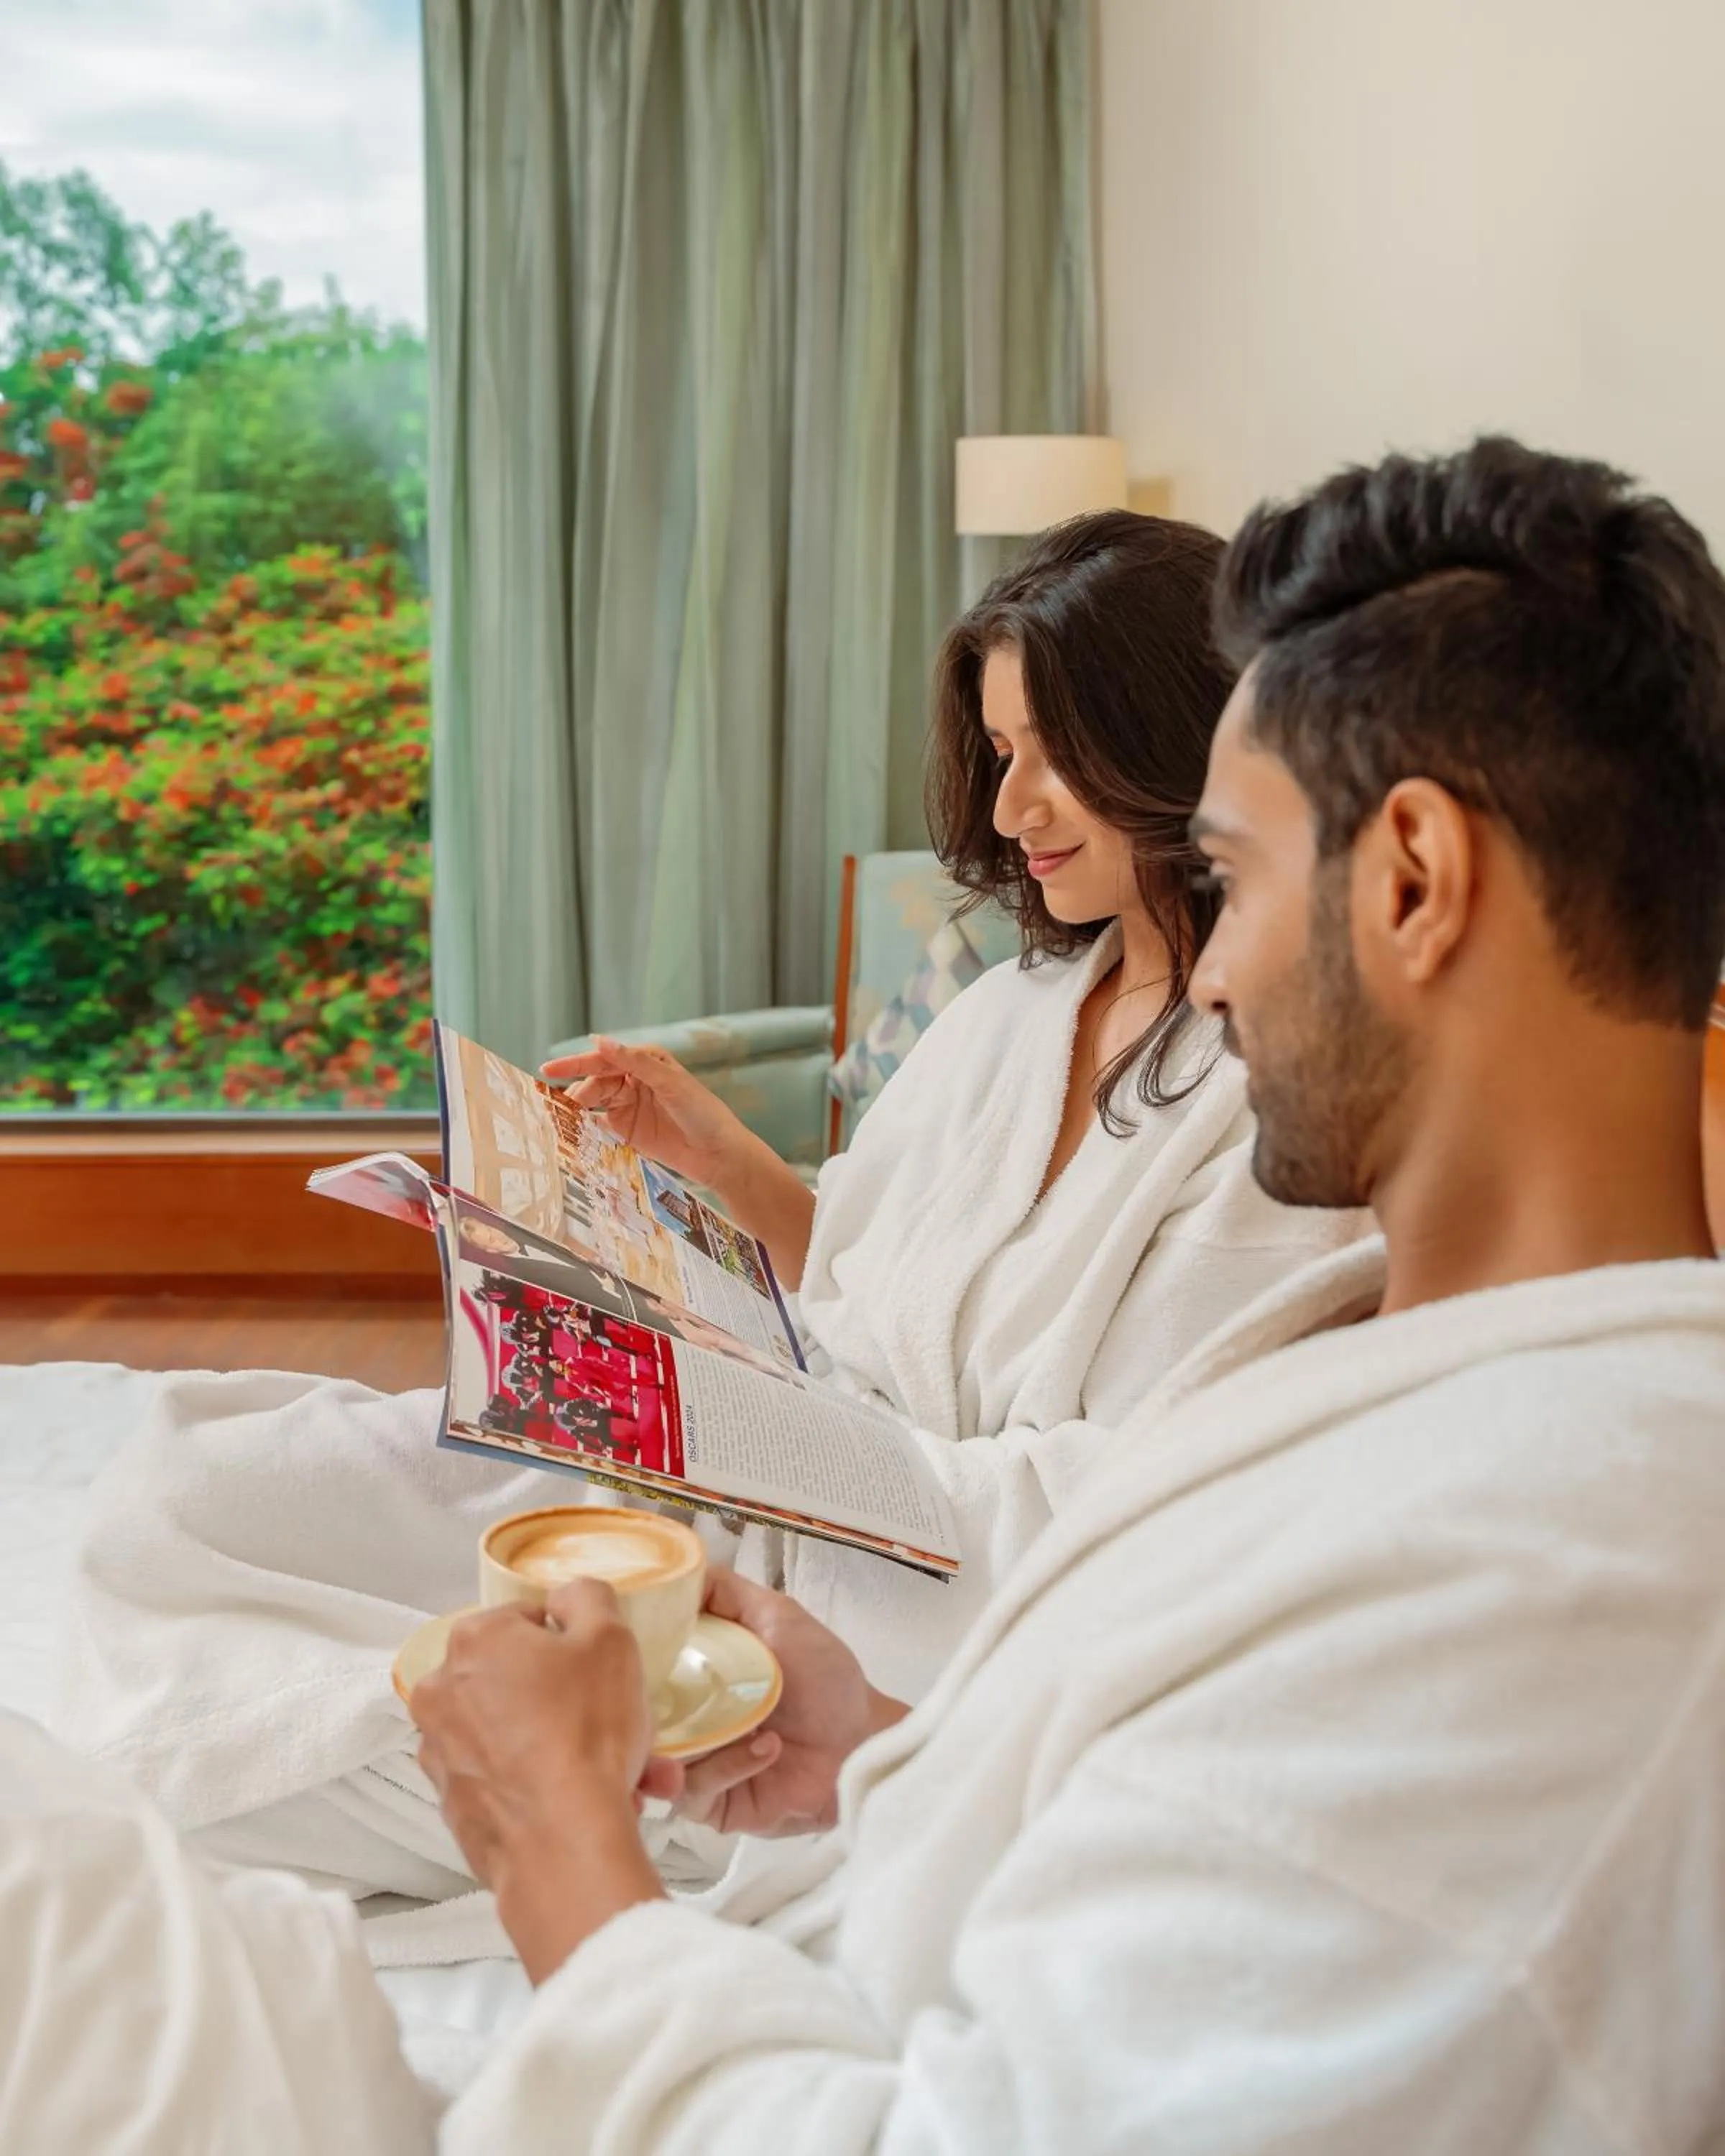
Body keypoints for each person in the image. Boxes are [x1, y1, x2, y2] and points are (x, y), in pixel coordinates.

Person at [395, 438, 1725, 2152]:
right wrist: (878, 1755)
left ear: (1411, 879)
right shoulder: (1458, 1395)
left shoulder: (1546, 1593)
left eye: (1234, 877)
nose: (1212, 975)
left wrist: (560, 1862)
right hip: (861, 1875)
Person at [55, 512, 1358, 1927]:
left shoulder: (1274, 1095)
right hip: (735, 1463)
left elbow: (1130, 1508)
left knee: (260, 1741)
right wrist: (693, 1168)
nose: (1007, 810)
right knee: (187, 1485)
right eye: (998, 753)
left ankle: (314, 1760)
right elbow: (858, 1269)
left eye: (1056, 756)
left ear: (1176, 734)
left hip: (847, 1594)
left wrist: (766, 1432)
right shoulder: (1016, 1012)